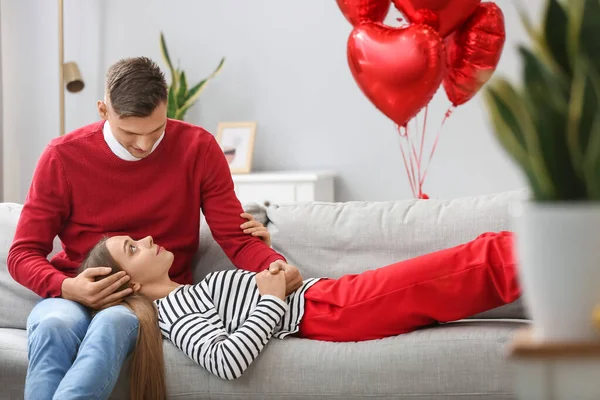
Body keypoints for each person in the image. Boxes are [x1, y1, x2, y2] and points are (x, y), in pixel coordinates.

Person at [7, 56, 302, 400]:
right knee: (53, 325)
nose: (144, 145)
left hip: (151, 300)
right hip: (72, 292)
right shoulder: (62, 156)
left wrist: (274, 266)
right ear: (103, 111)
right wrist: (68, 286)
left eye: (156, 130)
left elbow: (236, 238)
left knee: (112, 325)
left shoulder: (199, 148)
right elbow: (22, 253)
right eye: (130, 132)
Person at [79, 229, 520, 398]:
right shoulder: (173, 312)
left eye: (135, 236)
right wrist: (271, 297)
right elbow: (226, 361)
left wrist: (276, 274)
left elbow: (251, 301)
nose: (148, 238)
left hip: (324, 296)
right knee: (467, 266)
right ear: (129, 284)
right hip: (328, 311)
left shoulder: (189, 290)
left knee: (464, 268)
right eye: (132, 248)